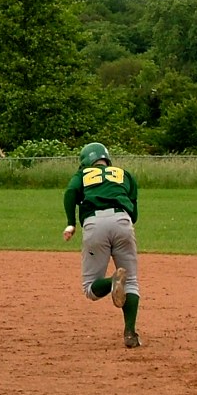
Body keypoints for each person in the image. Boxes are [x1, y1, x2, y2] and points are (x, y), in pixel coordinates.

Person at [62, 142, 141, 349]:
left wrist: (71, 223)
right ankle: (130, 333)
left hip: (94, 224)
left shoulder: (83, 175)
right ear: (107, 159)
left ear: (86, 162)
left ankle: (113, 281)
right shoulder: (124, 173)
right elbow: (134, 209)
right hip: (123, 221)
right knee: (131, 282)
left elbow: (70, 193)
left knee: (90, 288)